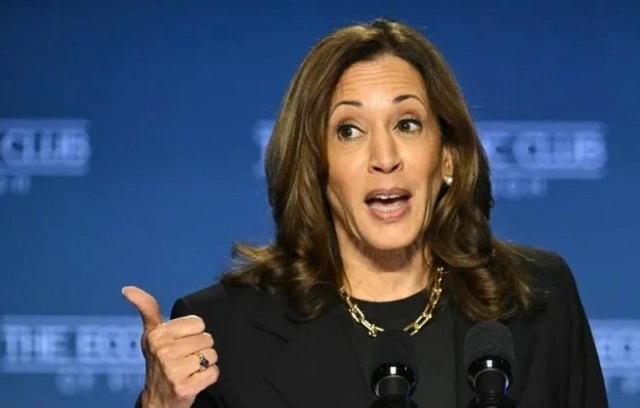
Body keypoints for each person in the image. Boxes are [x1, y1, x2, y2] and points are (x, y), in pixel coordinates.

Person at [122, 18, 608, 408]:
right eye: (349, 130)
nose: (384, 156)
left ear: (448, 157)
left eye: (407, 123)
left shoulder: (538, 298)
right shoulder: (226, 331)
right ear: (316, 166)